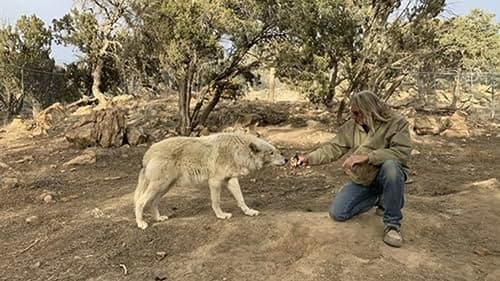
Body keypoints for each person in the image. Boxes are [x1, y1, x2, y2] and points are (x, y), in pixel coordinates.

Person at [293, 90, 412, 247]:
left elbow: (401, 152)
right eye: (352, 113)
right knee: (338, 213)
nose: (353, 118)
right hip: (365, 178)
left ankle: (392, 225)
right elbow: (333, 148)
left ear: (370, 111)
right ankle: (382, 198)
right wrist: (308, 158)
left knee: (391, 167)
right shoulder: (352, 126)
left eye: (357, 113)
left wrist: (368, 157)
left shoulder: (397, 122)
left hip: (387, 175)